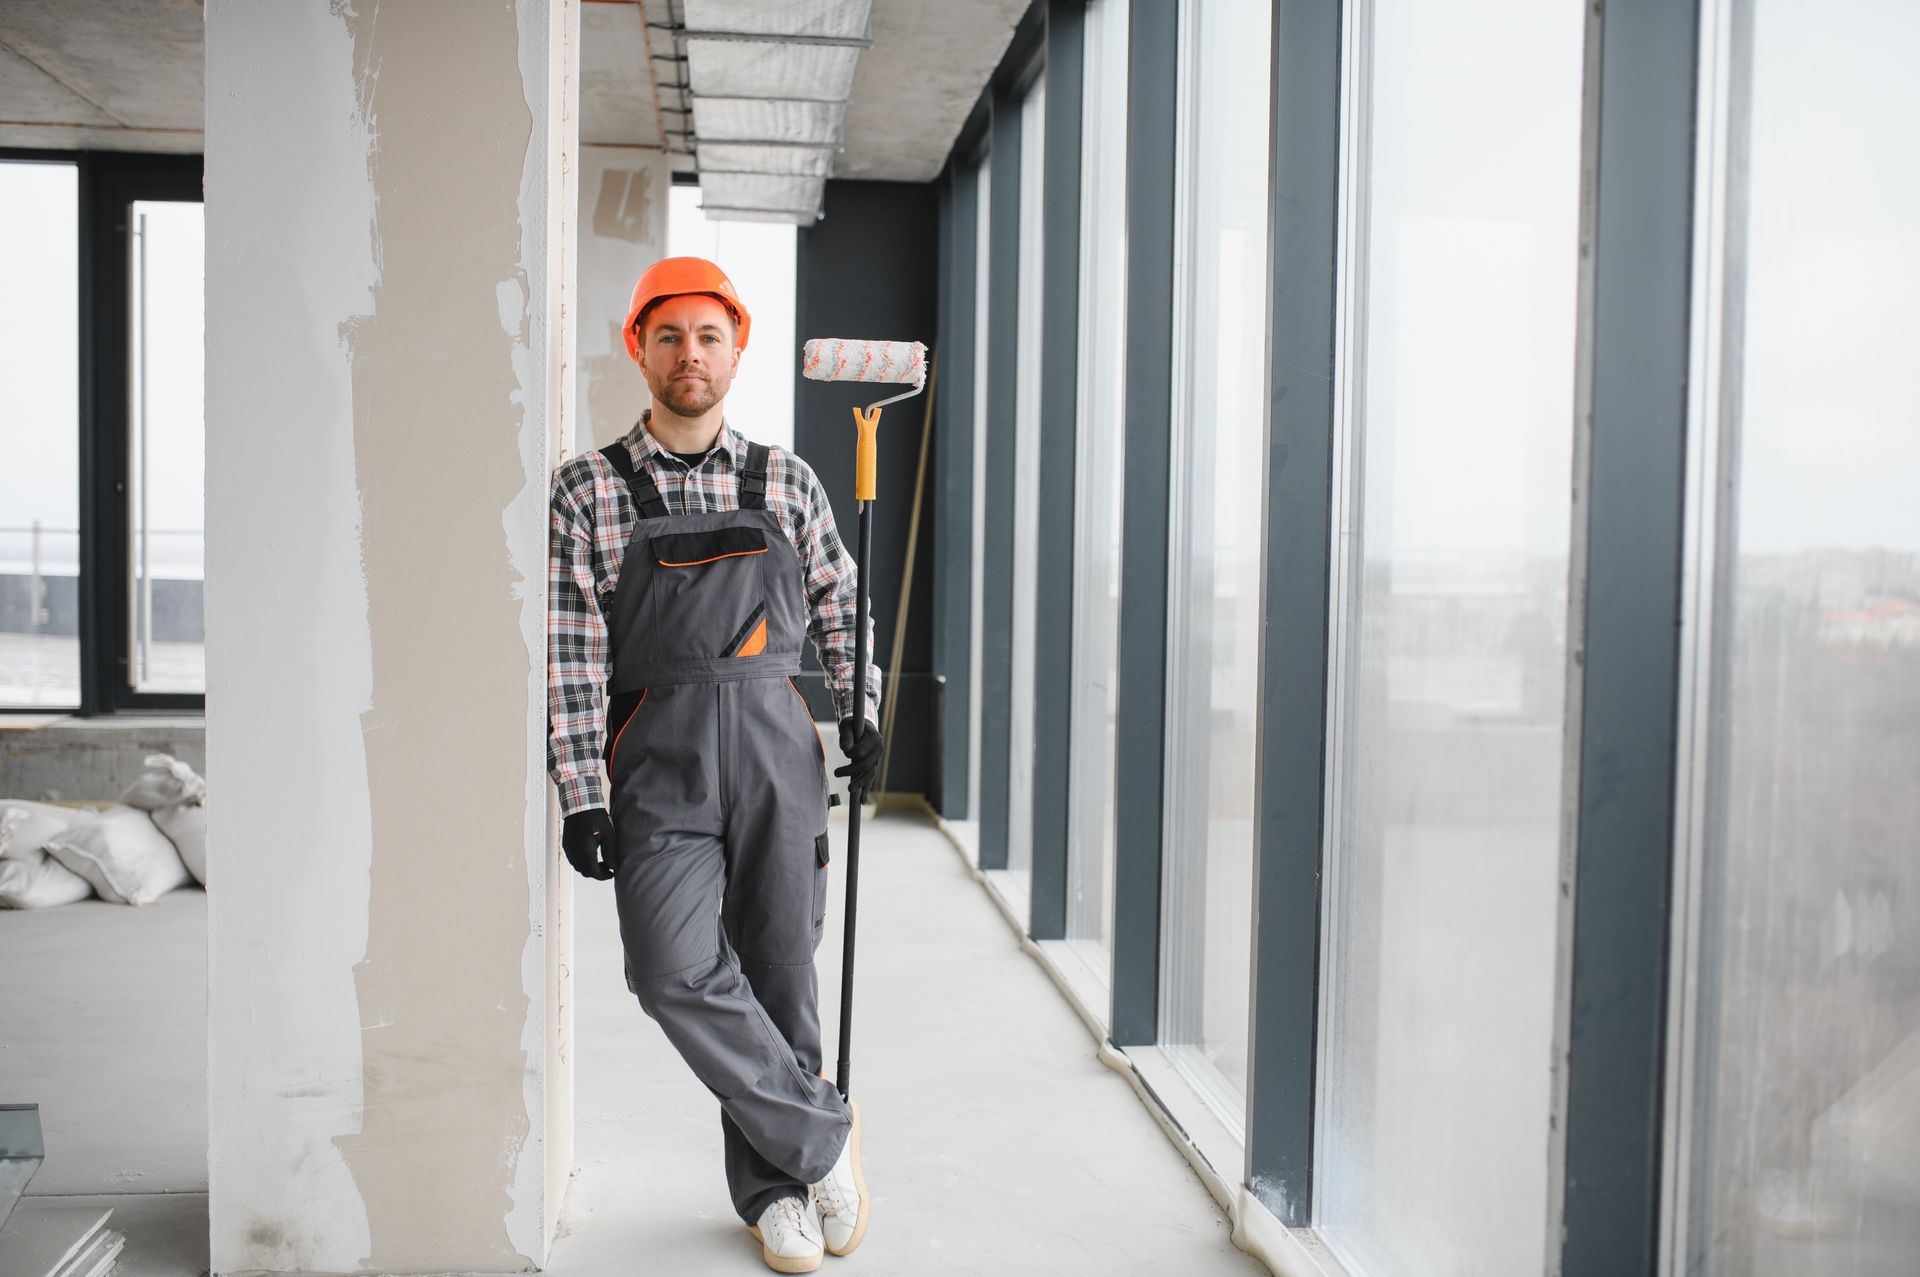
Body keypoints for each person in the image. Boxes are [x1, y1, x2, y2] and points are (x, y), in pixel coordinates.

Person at [546, 256, 881, 1273]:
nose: (689, 355)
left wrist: (862, 712)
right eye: (668, 336)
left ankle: (775, 1190)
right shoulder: (588, 489)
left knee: (779, 968)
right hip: (658, 763)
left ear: (737, 347)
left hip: (779, 753)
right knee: (671, 966)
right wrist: (581, 792)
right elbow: (571, 651)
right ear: (637, 348)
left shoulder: (786, 479)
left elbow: (840, 605)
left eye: (707, 335)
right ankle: (821, 1135)